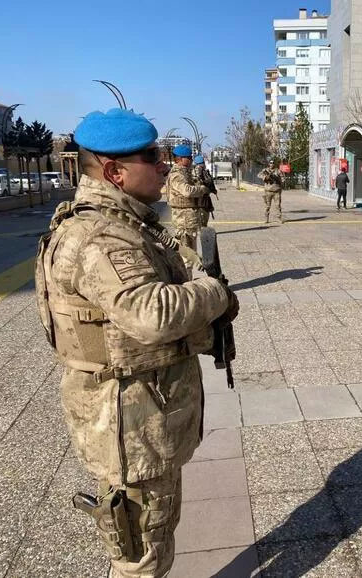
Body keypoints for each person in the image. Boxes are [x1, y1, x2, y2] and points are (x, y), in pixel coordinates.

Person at [34, 108, 239, 577]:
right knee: (141, 559)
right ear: (114, 172)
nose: (166, 164)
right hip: (130, 423)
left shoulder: (126, 223)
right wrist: (215, 293)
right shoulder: (103, 236)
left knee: (151, 539)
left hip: (141, 414)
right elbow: (153, 314)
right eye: (153, 156)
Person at [166, 145, 211, 274]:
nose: (191, 160)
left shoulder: (184, 173)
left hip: (188, 218)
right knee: (187, 255)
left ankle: (188, 280)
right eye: (188, 158)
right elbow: (187, 191)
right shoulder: (177, 175)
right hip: (183, 219)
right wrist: (202, 190)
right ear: (180, 159)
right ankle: (186, 283)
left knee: (191, 253)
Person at [190, 155, 216, 226]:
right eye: (203, 162)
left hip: (204, 199)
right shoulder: (197, 170)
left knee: (204, 218)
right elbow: (198, 184)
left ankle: (203, 230)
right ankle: (202, 233)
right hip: (200, 200)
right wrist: (206, 187)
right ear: (201, 163)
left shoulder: (203, 171)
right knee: (202, 219)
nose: (204, 164)